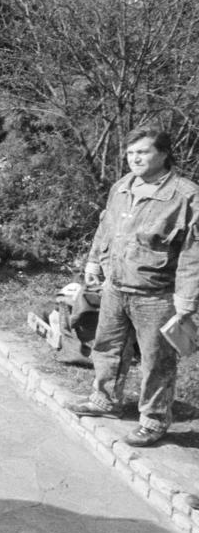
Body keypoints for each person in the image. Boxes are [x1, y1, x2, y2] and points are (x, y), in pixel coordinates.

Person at [72, 127, 199, 448]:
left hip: (157, 295)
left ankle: (153, 421)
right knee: (107, 346)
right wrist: (92, 263)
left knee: (157, 361)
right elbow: (106, 228)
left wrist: (186, 301)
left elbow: (193, 253)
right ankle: (105, 401)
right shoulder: (122, 187)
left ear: (164, 154)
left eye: (143, 152)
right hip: (115, 286)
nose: (135, 158)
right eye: (130, 153)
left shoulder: (185, 196)